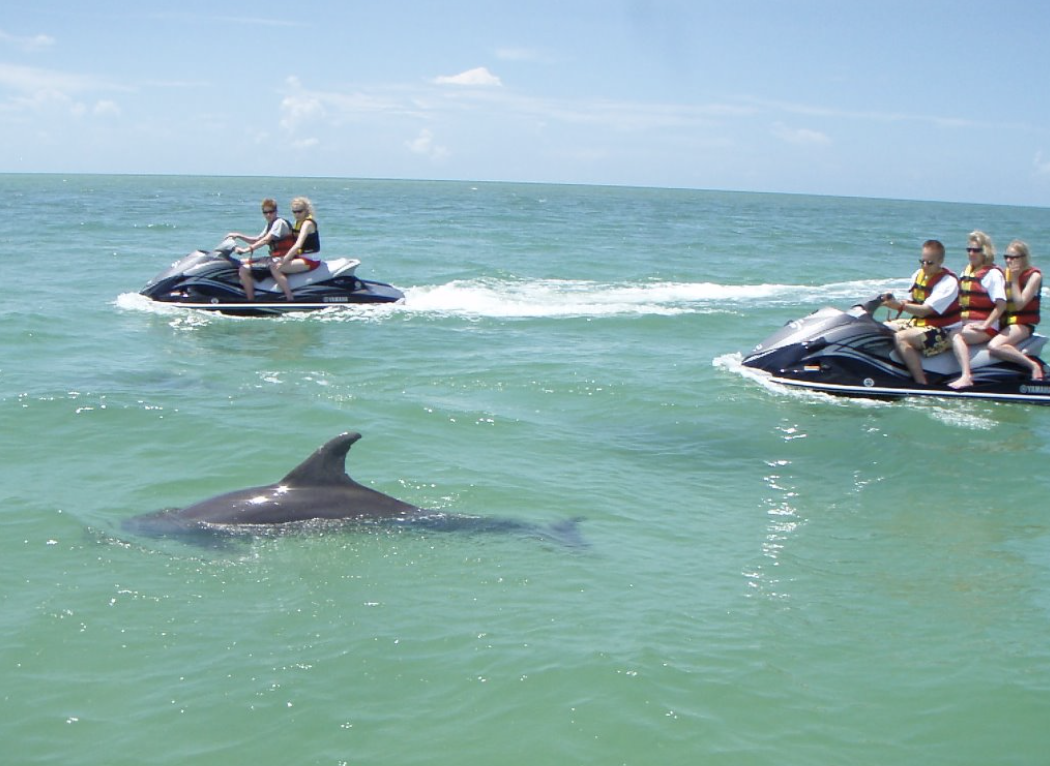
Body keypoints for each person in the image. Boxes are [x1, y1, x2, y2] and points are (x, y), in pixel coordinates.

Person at [881, 239, 961, 385]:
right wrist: (892, 302)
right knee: (884, 327)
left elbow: (925, 311)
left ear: (940, 261)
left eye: (929, 263)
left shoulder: (948, 282)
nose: (925, 266)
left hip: (944, 331)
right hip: (921, 324)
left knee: (901, 338)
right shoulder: (918, 274)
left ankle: (921, 383)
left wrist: (900, 306)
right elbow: (912, 302)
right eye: (922, 261)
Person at [947, 231, 1007, 389]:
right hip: (966, 323)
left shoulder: (993, 275)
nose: (971, 253)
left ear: (985, 252)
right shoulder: (967, 272)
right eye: (969, 250)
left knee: (955, 335)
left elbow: (1001, 305)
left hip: (986, 328)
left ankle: (966, 376)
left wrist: (985, 325)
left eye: (976, 250)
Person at [987, 240, 1044, 380]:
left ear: (1023, 258)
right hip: (1004, 322)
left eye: (1013, 257)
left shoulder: (1034, 276)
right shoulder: (1002, 274)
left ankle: (1033, 365)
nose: (1008, 261)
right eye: (1006, 257)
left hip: (1022, 324)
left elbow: (1020, 304)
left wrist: (1014, 279)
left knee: (994, 346)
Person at [227, 198, 296, 301]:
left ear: (276, 212)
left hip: (282, 259)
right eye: (265, 212)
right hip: (274, 258)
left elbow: (266, 240)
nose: (268, 215)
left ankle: (250, 301)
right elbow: (257, 240)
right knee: (241, 262)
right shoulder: (270, 224)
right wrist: (238, 235)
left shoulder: (279, 223)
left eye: (271, 212)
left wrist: (246, 250)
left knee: (244, 269)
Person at [267, 196, 322, 301]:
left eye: (299, 212)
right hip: (300, 257)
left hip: (310, 260)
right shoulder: (298, 222)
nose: (296, 214)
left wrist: (283, 261)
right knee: (270, 261)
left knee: (275, 268)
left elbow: (297, 245)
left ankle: (289, 297)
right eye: (294, 212)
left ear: (306, 211)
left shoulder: (307, 224)